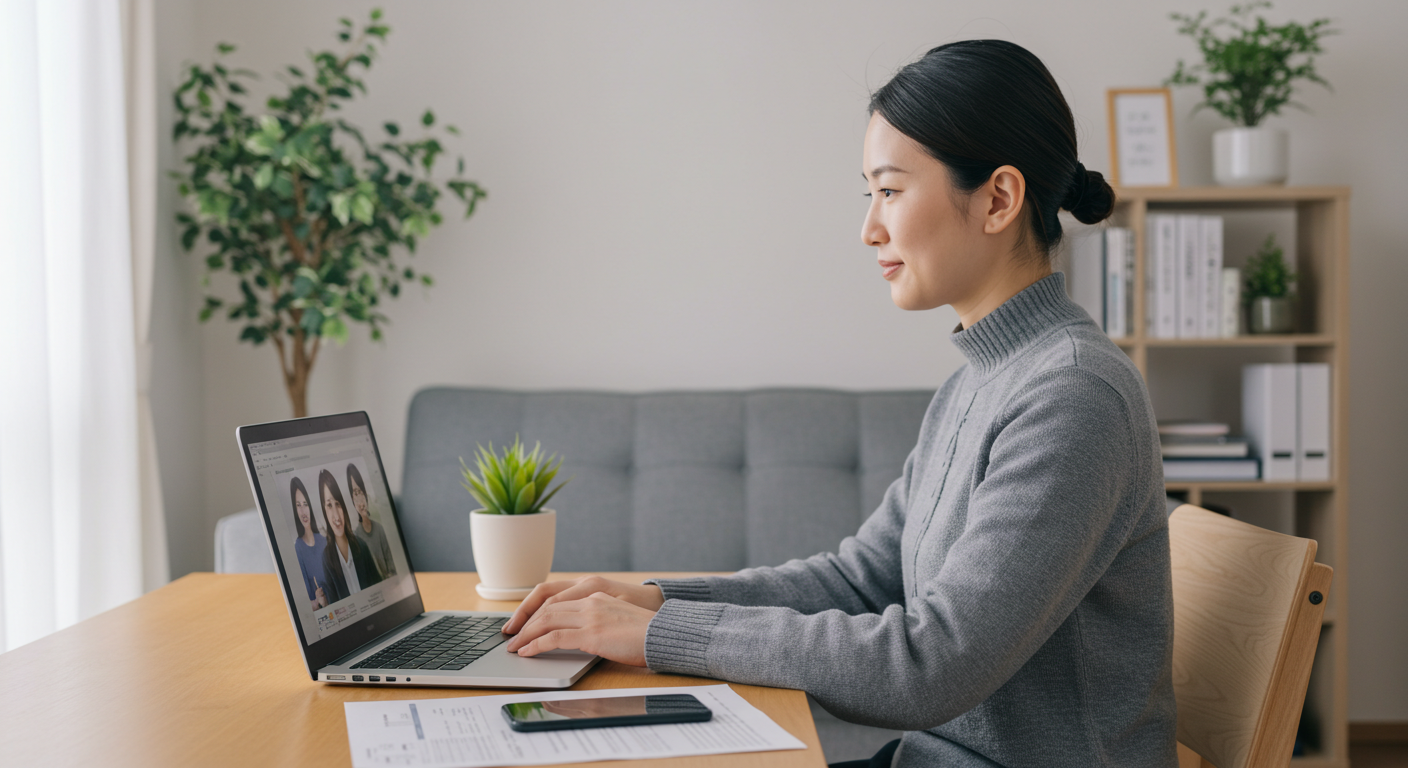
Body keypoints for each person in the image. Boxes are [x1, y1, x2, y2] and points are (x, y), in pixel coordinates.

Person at [501, 40, 1176, 768]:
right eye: (869, 195)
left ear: (998, 200)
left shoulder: (1073, 396)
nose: (869, 228)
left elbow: (930, 666)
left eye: (891, 191)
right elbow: (860, 581)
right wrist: (658, 602)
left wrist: (659, 637)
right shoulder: (980, 382)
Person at [317, 469, 382, 604]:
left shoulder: (361, 546)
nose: (336, 515)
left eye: (338, 504)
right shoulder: (327, 558)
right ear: (324, 511)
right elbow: (335, 605)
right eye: (329, 505)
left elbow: (380, 591)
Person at [346, 463, 396, 579]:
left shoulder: (379, 529)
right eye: (355, 494)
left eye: (361, 492)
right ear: (352, 500)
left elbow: (393, 568)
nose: (360, 500)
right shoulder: (356, 538)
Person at [289, 476, 328, 610]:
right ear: (295, 510)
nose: (303, 511)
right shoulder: (298, 549)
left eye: (305, 504)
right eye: (298, 505)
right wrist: (317, 602)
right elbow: (307, 604)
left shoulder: (324, 541)